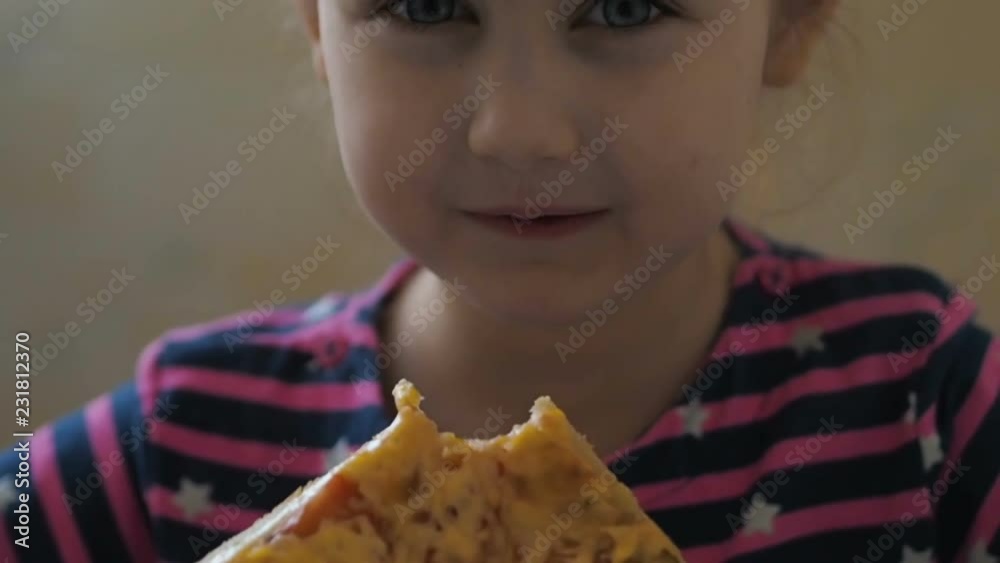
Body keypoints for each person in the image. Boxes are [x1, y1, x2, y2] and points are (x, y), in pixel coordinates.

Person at [3, 0, 999, 561]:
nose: (519, 131)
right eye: (425, 6)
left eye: (623, 8)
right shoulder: (178, 442)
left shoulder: (927, 405)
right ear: (316, 24)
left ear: (788, 25)